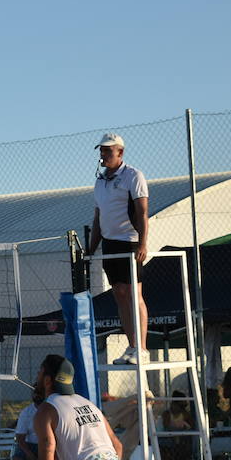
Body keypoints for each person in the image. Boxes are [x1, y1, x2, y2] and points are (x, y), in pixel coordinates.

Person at [87, 133, 150, 366]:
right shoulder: (100, 181)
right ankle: (132, 346)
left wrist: (142, 243)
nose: (103, 155)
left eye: (107, 150)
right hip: (110, 244)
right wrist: (91, 249)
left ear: (120, 152)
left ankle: (142, 348)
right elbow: (97, 217)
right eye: (101, 150)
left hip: (130, 242)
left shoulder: (133, 175)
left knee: (135, 294)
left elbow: (142, 212)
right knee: (120, 295)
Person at [10, 390, 44, 460]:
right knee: (18, 454)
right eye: (35, 392)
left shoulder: (53, 408)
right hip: (32, 445)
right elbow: (20, 438)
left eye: (40, 391)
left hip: (48, 444)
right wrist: (28, 453)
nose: (37, 394)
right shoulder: (27, 412)